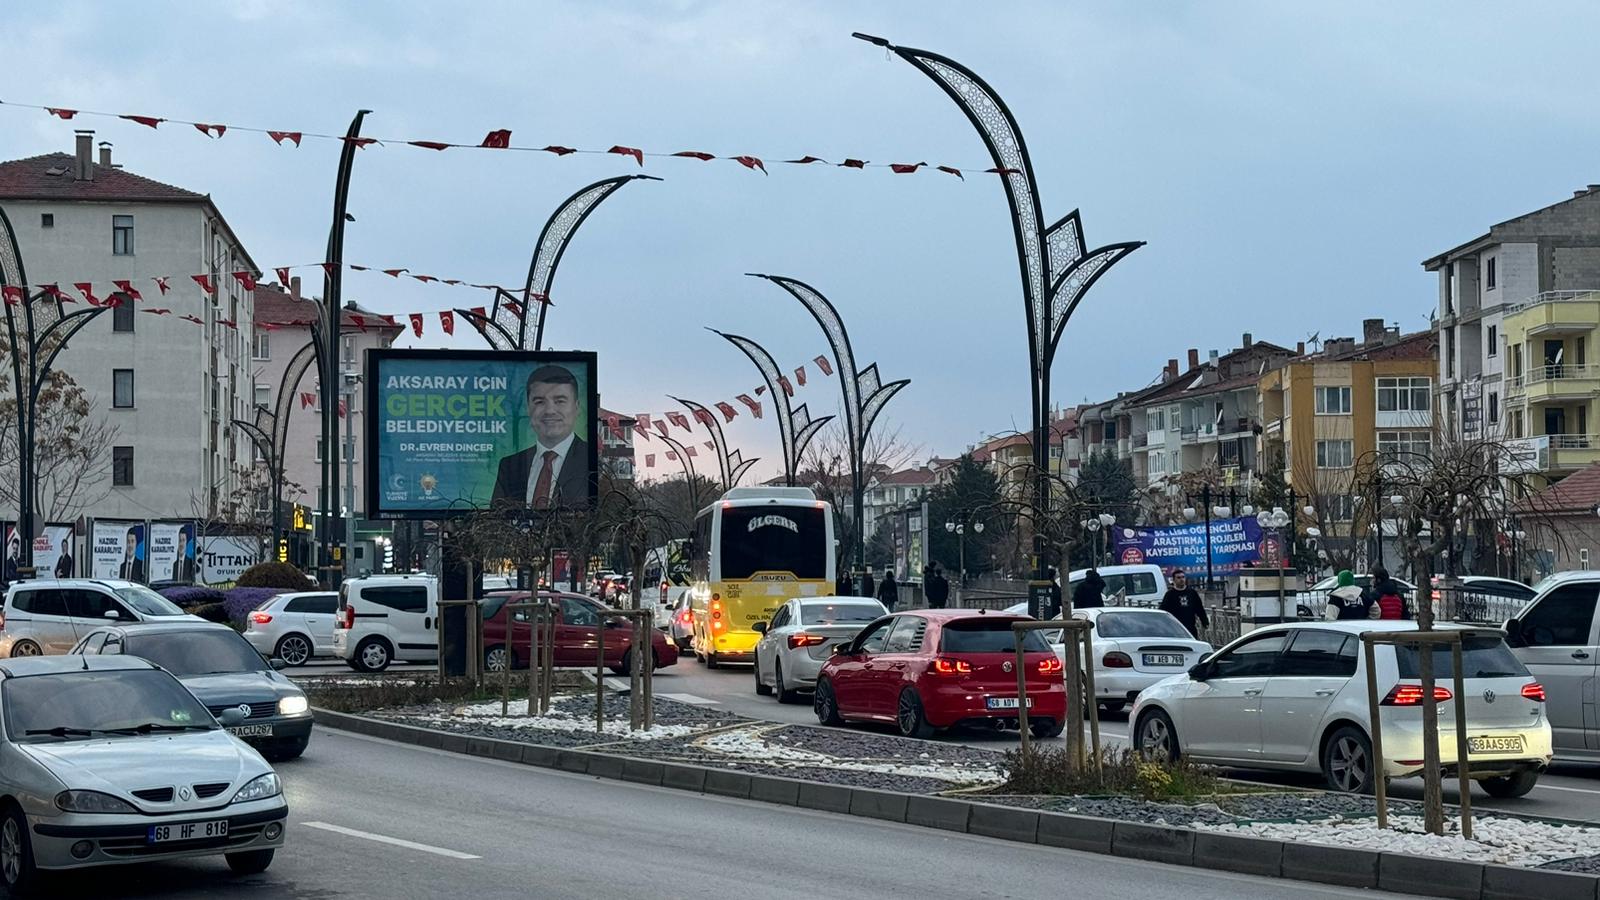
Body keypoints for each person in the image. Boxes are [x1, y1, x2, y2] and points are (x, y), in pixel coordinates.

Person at [491, 365, 590, 508]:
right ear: (528, 408)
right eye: (539, 402)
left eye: (560, 401)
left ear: (577, 407)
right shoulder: (510, 466)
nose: (549, 411)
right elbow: (494, 521)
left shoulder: (589, 460)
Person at [1159, 569, 1210, 638]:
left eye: (1183, 577)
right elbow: (1163, 611)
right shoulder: (1170, 595)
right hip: (1175, 629)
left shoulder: (1192, 593)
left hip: (1190, 627)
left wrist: (1204, 621)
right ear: (1174, 580)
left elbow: (1199, 608)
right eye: (1178, 578)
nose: (1181, 579)